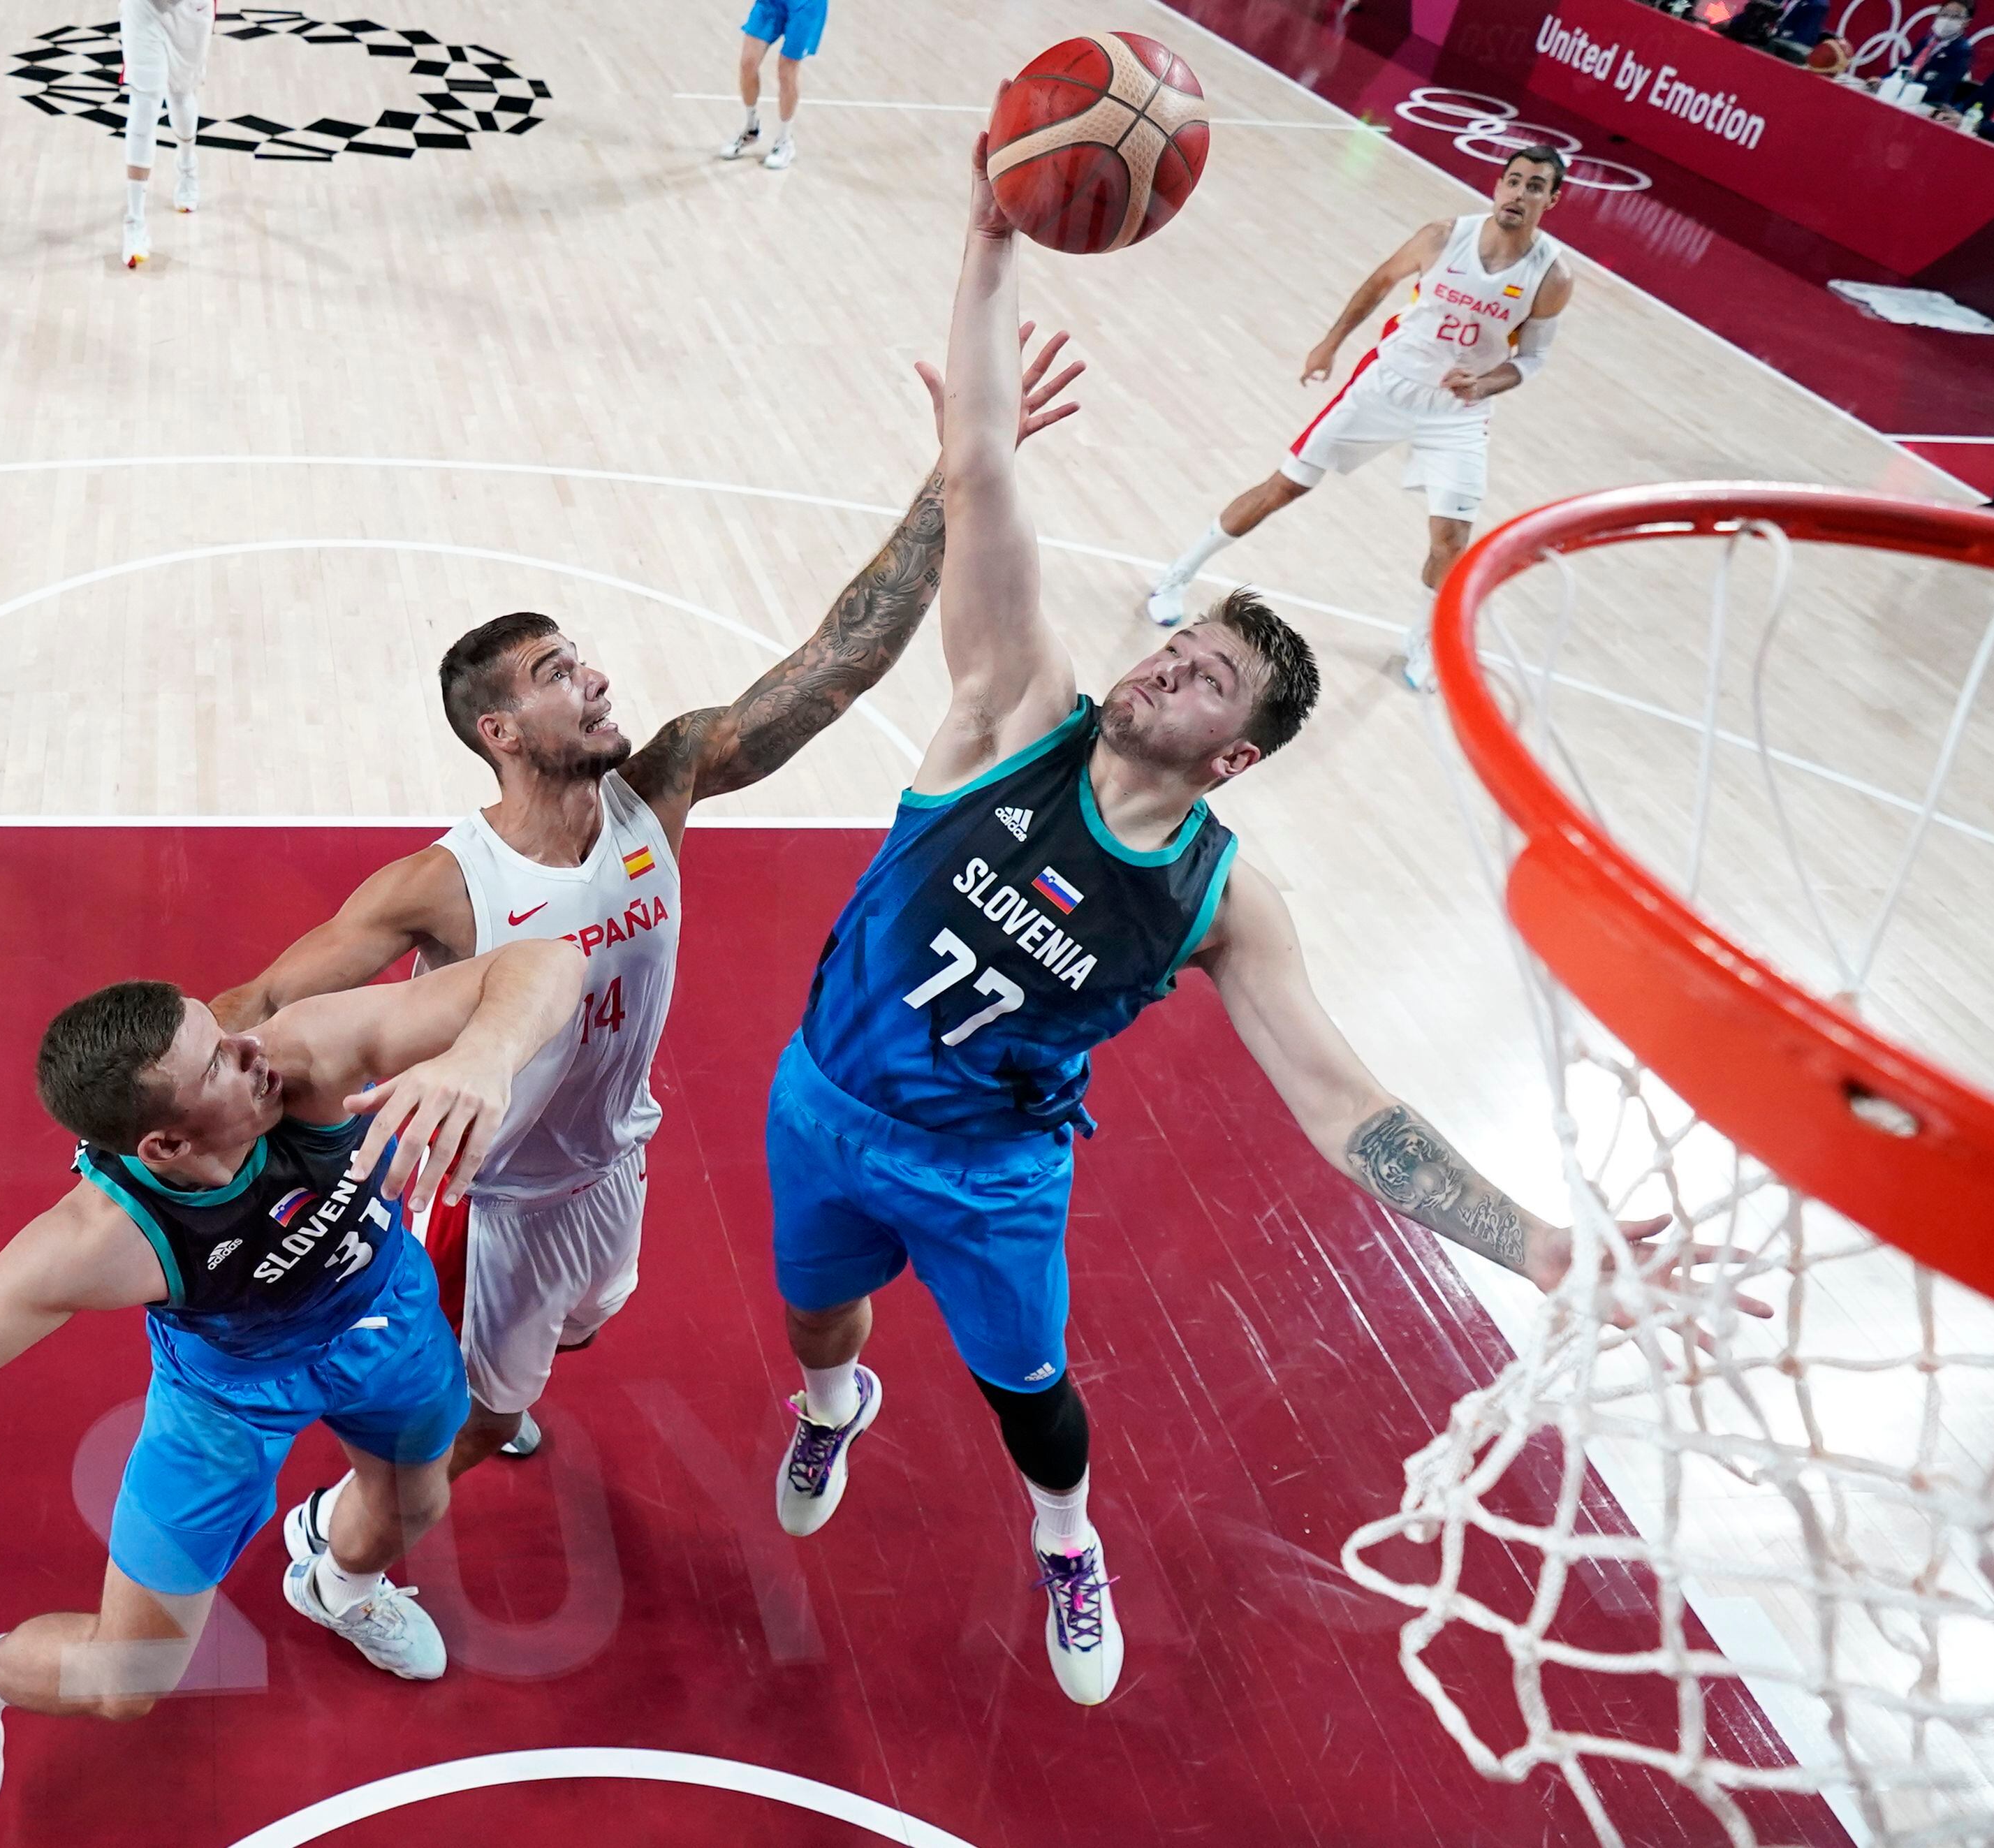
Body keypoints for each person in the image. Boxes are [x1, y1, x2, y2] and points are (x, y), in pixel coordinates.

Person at [763, 126, 1722, 1710]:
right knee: (814, 1316)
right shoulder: (1017, 708)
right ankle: (832, 1404)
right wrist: (993, 237)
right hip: (826, 1096)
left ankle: (1067, 1536)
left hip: (990, 1172)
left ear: (1236, 753)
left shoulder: (1222, 900)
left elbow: (1348, 1108)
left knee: (1032, 1396)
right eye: (1175, 643)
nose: (1162, 664)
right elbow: (986, 466)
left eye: (1203, 675)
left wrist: (1540, 1241)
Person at [219, 332, 1085, 1544]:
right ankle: (332, 1556)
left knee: (593, 1313)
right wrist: (134, 1111)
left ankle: (507, 1377)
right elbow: (268, 995)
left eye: (581, 656)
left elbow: (836, 663)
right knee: (468, 1419)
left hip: (614, 1158)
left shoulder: (660, 784)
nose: (594, 678)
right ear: (498, 729)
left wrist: (954, 481)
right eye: (554, 671)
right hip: (501, 1196)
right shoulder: (441, 884)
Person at [0, 940, 580, 1811]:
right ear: (165, 1142)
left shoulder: (308, 1059)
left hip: (383, 1319)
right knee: (126, 1679)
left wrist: (485, 1052)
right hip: (227, 1398)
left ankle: (338, 1584)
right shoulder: (102, 1240)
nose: (253, 1046)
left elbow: (549, 964)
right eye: (221, 1059)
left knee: (418, 1500)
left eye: (224, 1032)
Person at [1141, 147, 1576, 689]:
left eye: (1534, 186)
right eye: (1512, 181)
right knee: (1283, 487)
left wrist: (1485, 383)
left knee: (1451, 538)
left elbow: (1532, 358)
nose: (1518, 193)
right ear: (1497, 186)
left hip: (1458, 412)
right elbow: (1377, 284)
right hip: (1385, 385)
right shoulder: (1443, 237)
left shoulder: (1551, 275)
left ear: (1551, 200)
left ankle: (1421, 640)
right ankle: (1176, 576)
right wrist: (1329, 343)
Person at [122, 0, 213, 267]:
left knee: (182, 95)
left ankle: (187, 166)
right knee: (144, 102)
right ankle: (134, 223)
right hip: (144, 9)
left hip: (190, 11)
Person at [717, 0, 829, 170]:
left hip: (805, 7)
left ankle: (785, 142)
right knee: (748, 63)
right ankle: (751, 128)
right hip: (771, 3)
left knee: (786, 71)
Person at [1883, 0, 1979, 109]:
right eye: (1945, 14)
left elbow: (1941, 87)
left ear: (1966, 22)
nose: (1947, 19)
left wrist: (1906, 89)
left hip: (1928, 104)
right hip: (1900, 93)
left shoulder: (1962, 52)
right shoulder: (1926, 41)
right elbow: (1903, 66)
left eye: (1955, 16)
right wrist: (1882, 81)